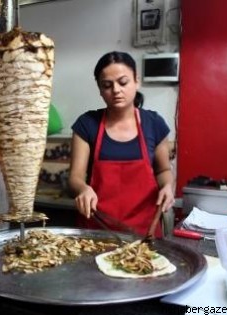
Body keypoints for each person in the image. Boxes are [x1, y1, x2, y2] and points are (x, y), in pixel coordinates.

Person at [68, 51, 175, 238]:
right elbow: (75, 178)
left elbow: (163, 170)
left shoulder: (154, 123)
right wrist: (83, 189)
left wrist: (167, 186)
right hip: (96, 231)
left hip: (144, 232)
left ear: (136, 81)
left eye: (123, 82)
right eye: (107, 85)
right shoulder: (87, 124)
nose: (116, 90)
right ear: (100, 90)